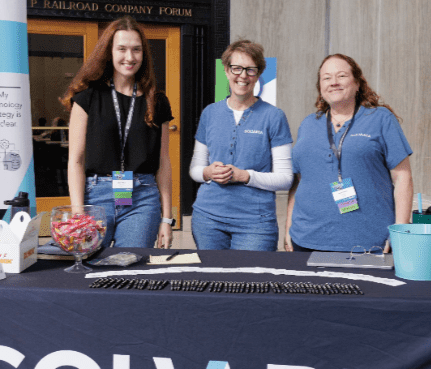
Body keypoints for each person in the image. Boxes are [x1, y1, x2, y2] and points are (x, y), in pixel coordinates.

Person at [61, 16, 175, 249]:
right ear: (109, 52)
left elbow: (164, 162)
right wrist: (78, 213)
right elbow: (76, 161)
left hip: (142, 198)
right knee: (91, 271)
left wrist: (166, 218)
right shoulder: (87, 98)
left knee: (130, 269)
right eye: (121, 49)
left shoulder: (158, 101)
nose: (130, 57)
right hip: (96, 197)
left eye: (136, 50)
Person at [286, 54, 414, 253]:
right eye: (326, 78)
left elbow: (403, 177)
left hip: (366, 241)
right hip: (305, 238)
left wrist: (401, 230)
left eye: (342, 76)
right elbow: (299, 181)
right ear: (320, 87)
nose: (334, 82)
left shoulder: (380, 119)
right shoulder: (308, 124)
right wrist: (288, 228)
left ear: (357, 84)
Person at [189, 40, 293, 251]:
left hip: (255, 223)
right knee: (212, 281)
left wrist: (245, 176)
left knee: (252, 282)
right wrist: (208, 172)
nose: (243, 75)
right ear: (227, 71)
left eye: (250, 70)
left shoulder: (274, 116)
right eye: (236, 68)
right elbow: (195, 170)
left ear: (259, 74)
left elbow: (285, 178)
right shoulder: (210, 113)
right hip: (207, 219)